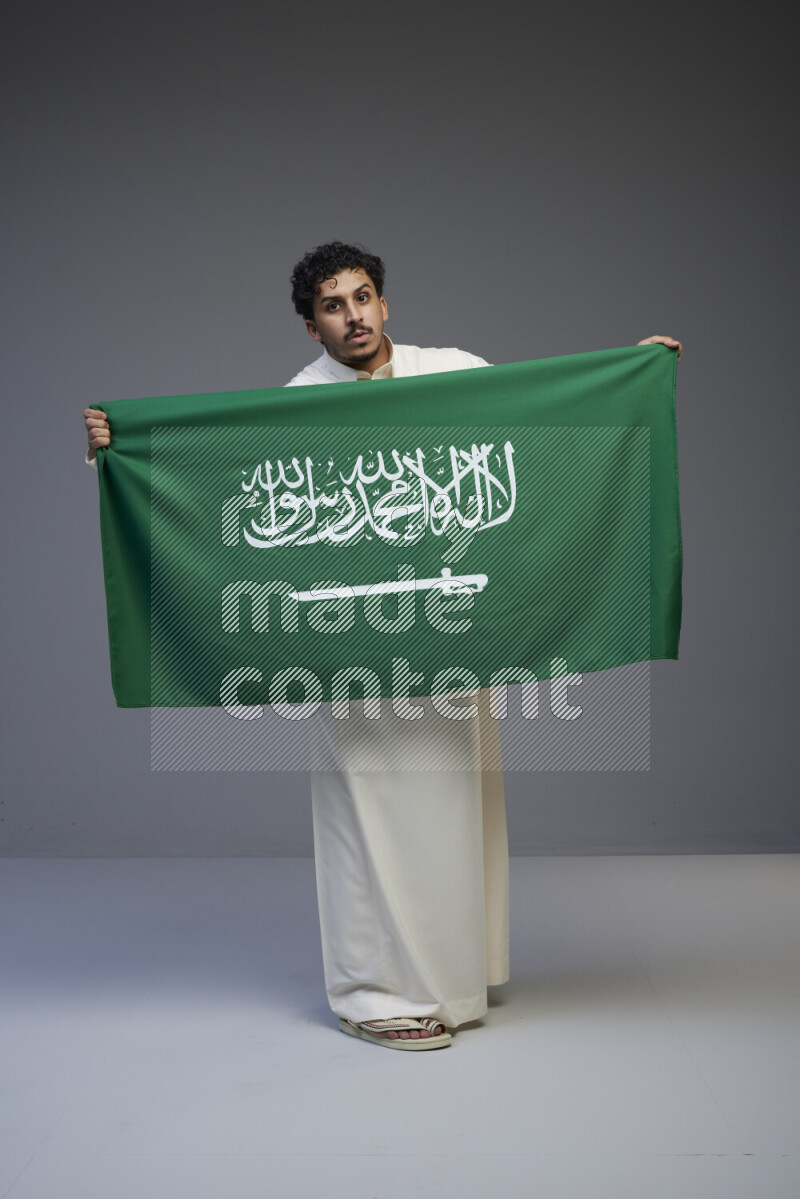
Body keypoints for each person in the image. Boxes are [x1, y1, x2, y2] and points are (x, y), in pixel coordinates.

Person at [83, 242, 683, 1051]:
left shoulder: (451, 372)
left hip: (453, 642)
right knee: (368, 818)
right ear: (312, 327)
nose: (353, 316)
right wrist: (121, 446)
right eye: (333, 306)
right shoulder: (298, 408)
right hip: (359, 655)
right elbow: (218, 480)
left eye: (363, 296)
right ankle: (374, 992)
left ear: (384, 302)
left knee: (454, 805)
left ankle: (456, 974)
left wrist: (630, 379)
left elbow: (543, 428)